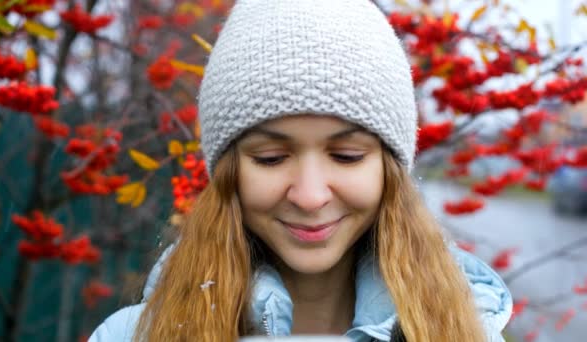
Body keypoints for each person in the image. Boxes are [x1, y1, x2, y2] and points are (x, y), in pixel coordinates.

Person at [89, 0, 512, 341]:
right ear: (229, 172)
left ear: (389, 172)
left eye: (346, 156)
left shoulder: (466, 331)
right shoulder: (133, 336)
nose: (310, 196)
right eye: (271, 158)